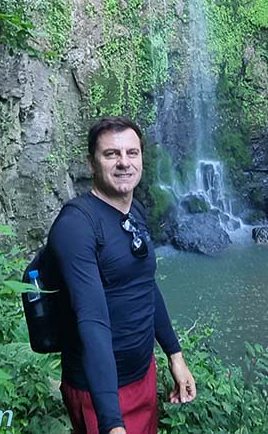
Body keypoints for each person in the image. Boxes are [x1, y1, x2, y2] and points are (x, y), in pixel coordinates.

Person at [45, 116, 196, 434]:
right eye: (111, 154)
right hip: (99, 391)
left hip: (143, 374)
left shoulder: (134, 210)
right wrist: (111, 422)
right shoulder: (77, 225)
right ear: (91, 163)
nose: (124, 162)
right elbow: (91, 320)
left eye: (132, 153)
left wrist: (175, 355)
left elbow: (145, 285)